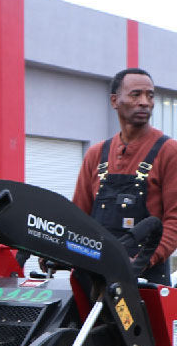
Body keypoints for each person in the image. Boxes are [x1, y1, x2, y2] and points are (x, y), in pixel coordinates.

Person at [72, 68, 177, 283]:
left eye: (150, 95)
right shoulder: (96, 154)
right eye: (135, 94)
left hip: (145, 277)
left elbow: (174, 220)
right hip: (96, 274)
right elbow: (78, 216)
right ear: (114, 101)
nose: (145, 102)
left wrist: (142, 261)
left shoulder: (169, 151)